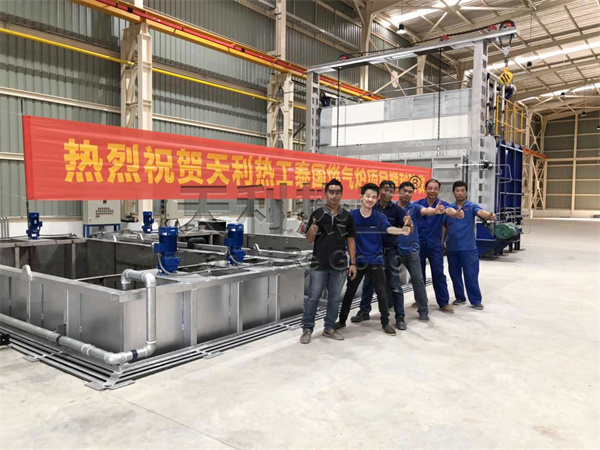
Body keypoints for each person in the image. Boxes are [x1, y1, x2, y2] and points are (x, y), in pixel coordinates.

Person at [335, 183, 411, 336]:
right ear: (361, 197)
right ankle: (342, 320)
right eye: (368, 196)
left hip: (376, 260)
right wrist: (352, 262)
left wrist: (401, 231)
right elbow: (346, 237)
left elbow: (388, 229)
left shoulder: (379, 217)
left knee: (382, 293)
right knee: (350, 292)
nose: (370, 199)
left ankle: (385, 323)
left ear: (377, 199)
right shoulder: (352, 216)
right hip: (358, 261)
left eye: (373, 197)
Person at [300, 179, 357, 344]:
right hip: (319, 264)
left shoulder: (346, 216)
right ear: (326, 194)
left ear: (341, 194)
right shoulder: (317, 214)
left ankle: (329, 327)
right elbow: (309, 240)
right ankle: (307, 329)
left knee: (334, 298)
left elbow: (351, 240)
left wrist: (353, 263)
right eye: (331, 192)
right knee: (313, 297)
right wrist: (312, 230)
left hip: (339, 265)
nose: (334, 195)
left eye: (337, 192)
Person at [395, 181, 448, 323]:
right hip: (395, 251)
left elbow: (425, 211)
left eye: (410, 192)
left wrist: (435, 211)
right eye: (404, 191)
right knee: (392, 281)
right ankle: (392, 307)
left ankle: (424, 310)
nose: (407, 194)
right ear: (399, 191)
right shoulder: (392, 208)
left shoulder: (415, 207)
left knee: (418, 280)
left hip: (412, 251)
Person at [443, 181, 496, 310]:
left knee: (471, 274)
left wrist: (488, 216)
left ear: (466, 192)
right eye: (457, 190)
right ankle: (460, 297)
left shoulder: (471, 207)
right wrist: (442, 241)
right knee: (454, 274)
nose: (460, 193)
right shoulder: (449, 209)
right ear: (453, 192)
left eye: (462, 190)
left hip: (468, 247)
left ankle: (476, 300)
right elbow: (445, 226)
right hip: (452, 247)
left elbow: (481, 212)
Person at [414, 179, 464, 314]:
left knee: (438, 274)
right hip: (418, 244)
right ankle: (420, 300)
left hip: (435, 245)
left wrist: (456, 213)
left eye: (435, 188)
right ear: (425, 189)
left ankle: (443, 302)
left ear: (439, 190)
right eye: (430, 188)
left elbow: (449, 210)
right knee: (418, 275)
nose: (433, 191)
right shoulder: (418, 205)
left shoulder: (442, 205)